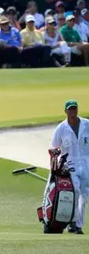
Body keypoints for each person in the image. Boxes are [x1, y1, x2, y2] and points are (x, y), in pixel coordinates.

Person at [52, 100, 89, 234]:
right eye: (70, 109)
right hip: (70, 164)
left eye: (75, 109)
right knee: (76, 191)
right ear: (66, 111)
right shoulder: (61, 128)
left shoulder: (86, 124)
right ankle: (72, 222)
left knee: (84, 197)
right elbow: (54, 147)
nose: (73, 112)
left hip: (87, 165)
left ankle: (77, 225)